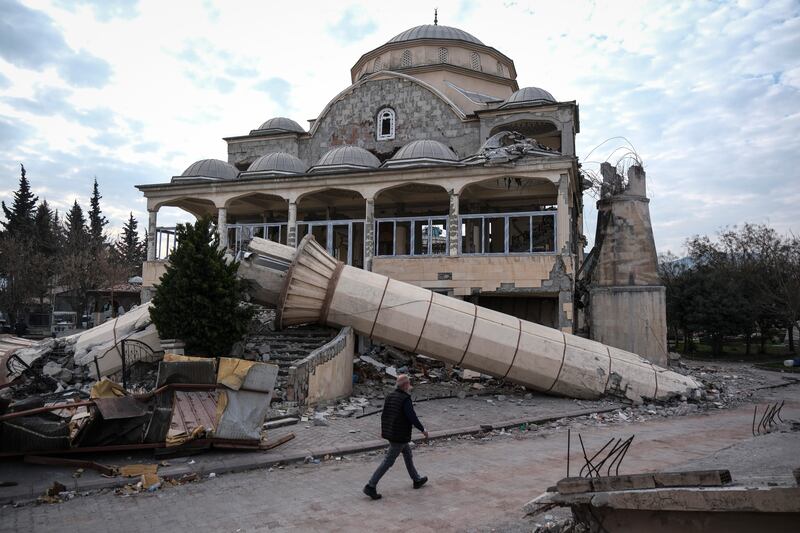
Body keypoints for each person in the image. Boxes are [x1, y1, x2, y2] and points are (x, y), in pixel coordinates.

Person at [363, 374, 428, 500]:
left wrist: (384, 431)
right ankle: (370, 486)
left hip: (392, 432)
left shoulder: (390, 396)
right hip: (399, 435)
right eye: (408, 384)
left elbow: (384, 415)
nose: (409, 386)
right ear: (404, 385)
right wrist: (423, 430)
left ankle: (416, 479)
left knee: (408, 455)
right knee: (388, 461)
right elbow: (412, 417)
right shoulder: (405, 399)